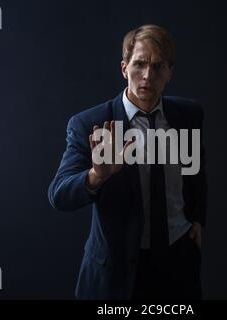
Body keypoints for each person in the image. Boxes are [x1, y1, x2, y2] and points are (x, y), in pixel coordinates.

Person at [48, 24, 207, 300]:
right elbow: (59, 194)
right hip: (118, 273)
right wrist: (97, 176)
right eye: (140, 64)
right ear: (124, 68)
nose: (148, 75)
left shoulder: (188, 115)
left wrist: (196, 219)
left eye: (158, 66)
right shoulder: (90, 123)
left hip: (178, 263)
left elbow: (195, 170)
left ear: (170, 72)